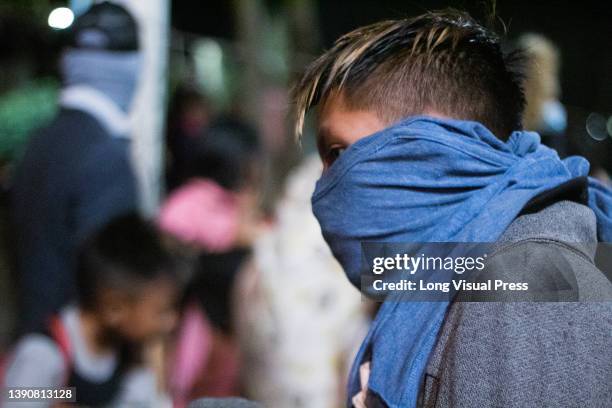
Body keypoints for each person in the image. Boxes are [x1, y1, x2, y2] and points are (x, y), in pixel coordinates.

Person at [292, 10, 612, 408]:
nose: (324, 187)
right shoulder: (451, 267)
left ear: (432, 143)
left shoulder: (529, 284)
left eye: (338, 153)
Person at [11, 2, 140, 333]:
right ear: (132, 67)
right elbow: (111, 289)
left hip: (33, 350)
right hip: (74, 368)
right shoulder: (106, 157)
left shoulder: (39, 141)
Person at [2, 213, 181, 407]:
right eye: (162, 312)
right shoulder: (45, 353)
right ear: (115, 308)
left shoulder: (128, 357)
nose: (172, 321)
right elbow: (19, 399)